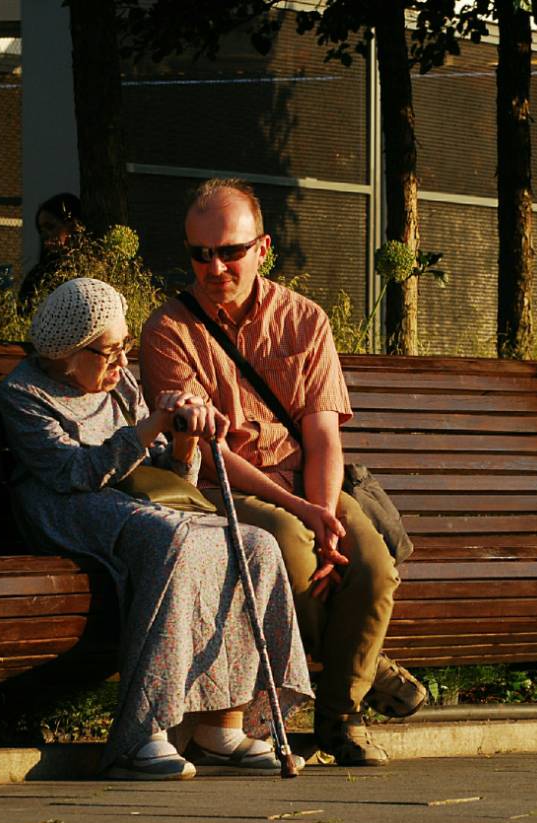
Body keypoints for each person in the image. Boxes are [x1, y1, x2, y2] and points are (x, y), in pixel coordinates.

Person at [140, 178, 426, 767]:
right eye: (200, 253)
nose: (214, 266)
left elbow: (323, 436)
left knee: (371, 567)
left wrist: (324, 513)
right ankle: (361, 683)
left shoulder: (304, 319)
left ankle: (337, 720)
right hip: (222, 487)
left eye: (229, 251)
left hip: (307, 484)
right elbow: (215, 455)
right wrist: (306, 516)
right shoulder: (169, 330)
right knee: (291, 552)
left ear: (262, 248)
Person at [0, 277, 312, 780]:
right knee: (177, 541)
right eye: (109, 351)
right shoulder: (24, 393)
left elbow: (173, 477)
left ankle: (220, 724)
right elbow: (72, 475)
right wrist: (150, 426)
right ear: (69, 354)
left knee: (253, 542)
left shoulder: (117, 383)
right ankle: (144, 731)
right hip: (69, 510)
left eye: (125, 347)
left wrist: (183, 437)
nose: (123, 362)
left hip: (134, 504)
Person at [20, 193, 85, 306]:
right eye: (41, 230)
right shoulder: (39, 273)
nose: (45, 235)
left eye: (50, 227)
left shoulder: (89, 267)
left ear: (73, 226)